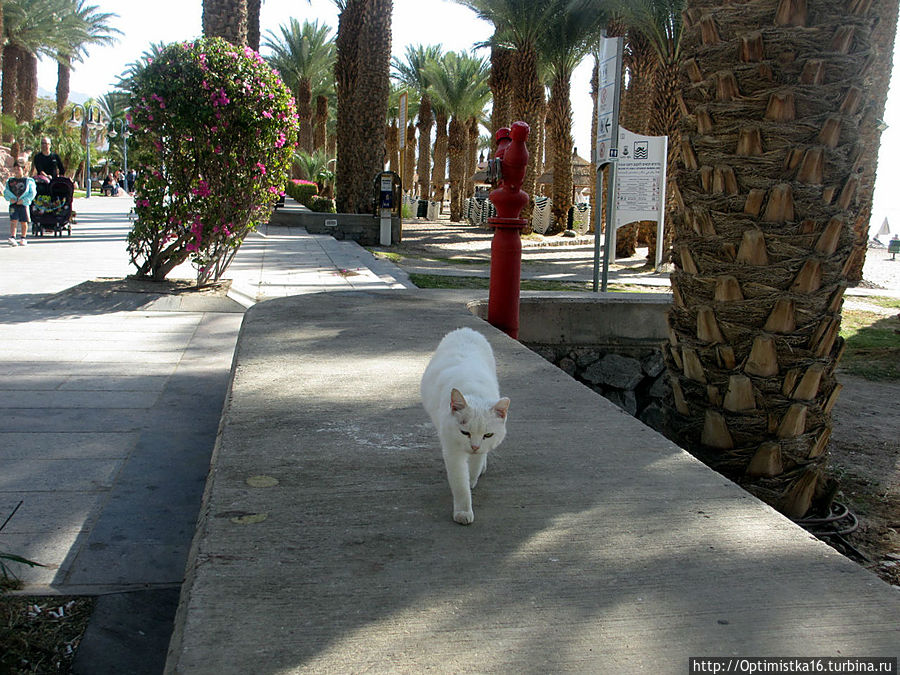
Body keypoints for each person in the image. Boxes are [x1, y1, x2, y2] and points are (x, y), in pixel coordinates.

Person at [4, 160, 36, 246]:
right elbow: (6, 192)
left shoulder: (28, 181)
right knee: (13, 220)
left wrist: (24, 200)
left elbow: (32, 193)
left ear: (23, 169)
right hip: (13, 204)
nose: (16, 171)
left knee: (23, 221)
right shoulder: (10, 181)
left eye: (18, 169)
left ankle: (23, 238)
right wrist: (11, 199)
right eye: (15, 169)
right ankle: (13, 237)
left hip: (23, 205)